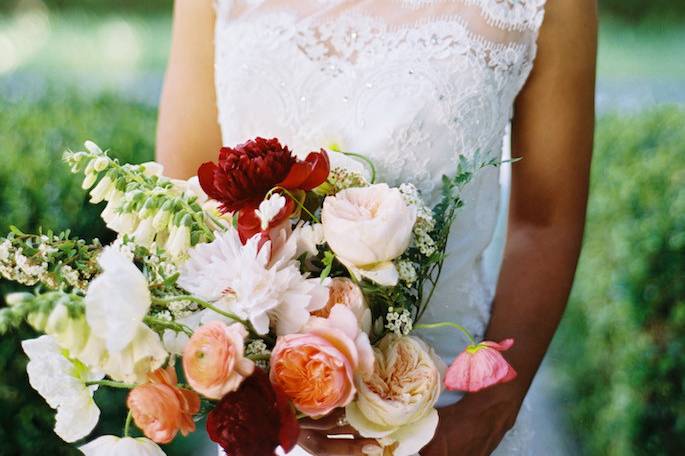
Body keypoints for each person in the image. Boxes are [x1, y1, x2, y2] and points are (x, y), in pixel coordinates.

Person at [156, 0, 597, 454]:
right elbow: (182, 195)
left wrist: (486, 416)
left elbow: (545, 220)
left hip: (445, 416)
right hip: (275, 423)